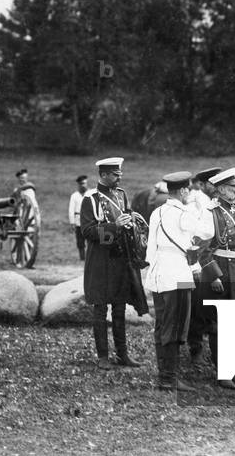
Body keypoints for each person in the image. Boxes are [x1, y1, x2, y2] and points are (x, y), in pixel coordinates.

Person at [144, 171, 214, 391]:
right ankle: (169, 379)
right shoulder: (185, 212)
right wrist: (204, 209)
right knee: (177, 325)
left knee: (161, 324)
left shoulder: (157, 212)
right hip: (180, 275)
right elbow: (207, 231)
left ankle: (164, 374)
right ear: (183, 191)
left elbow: (149, 252)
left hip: (157, 275)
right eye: (188, 190)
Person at [81, 157, 149, 370]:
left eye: (120, 174)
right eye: (115, 174)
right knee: (100, 309)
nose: (120, 177)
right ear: (103, 175)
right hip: (101, 261)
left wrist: (132, 223)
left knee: (119, 308)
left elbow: (126, 221)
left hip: (121, 260)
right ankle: (103, 357)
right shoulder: (90, 199)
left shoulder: (121, 195)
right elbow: (88, 231)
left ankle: (123, 355)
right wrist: (114, 226)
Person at [192, 167, 235, 390]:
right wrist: (213, 275)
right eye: (234, 187)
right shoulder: (209, 212)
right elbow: (201, 248)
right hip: (220, 271)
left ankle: (231, 368)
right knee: (220, 324)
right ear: (222, 190)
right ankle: (221, 372)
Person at [186, 166, 222, 366]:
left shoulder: (213, 202)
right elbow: (192, 239)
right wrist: (195, 265)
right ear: (202, 184)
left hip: (215, 261)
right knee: (198, 308)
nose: (216, 187)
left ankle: (212, 349)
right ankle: (196, 348)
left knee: (211, 306)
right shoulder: (195, 204)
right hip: (200, 263)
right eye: (213, 183)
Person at [68, 175, 89, 261]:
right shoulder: (74, 196)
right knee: (80, 242)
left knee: (90, 241)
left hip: (89, 221)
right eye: (81, 184)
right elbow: (71, 209)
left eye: (84, 183)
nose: (83, 185)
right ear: (78, 185)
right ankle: (82, 258)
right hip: (78, 221)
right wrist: (72, 222)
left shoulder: (90, 194)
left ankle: (89, 258)